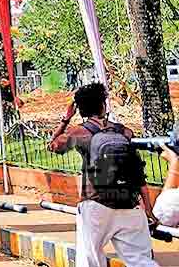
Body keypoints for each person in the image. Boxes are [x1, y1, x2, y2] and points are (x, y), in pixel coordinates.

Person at [49, 82, 158, 267]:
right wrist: (148, 208)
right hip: (129, 203)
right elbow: (136, 168)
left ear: (80, 109)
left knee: (90, 260)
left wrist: (66, 119)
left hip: (95, 205)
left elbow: (53, 146)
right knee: (141, 260)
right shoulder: (123, 131)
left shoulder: (79, 132)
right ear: (103, 105)